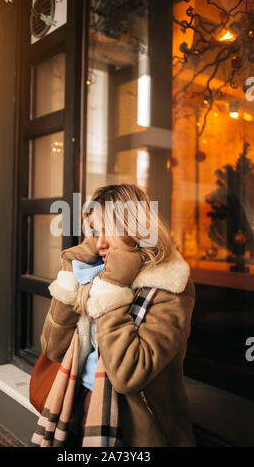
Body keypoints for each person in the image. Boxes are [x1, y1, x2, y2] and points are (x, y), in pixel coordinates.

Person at [38, 183, 196, 447]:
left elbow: (127, 375)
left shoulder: (171, 286)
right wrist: (69, 275)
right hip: (74, 406)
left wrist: (113, 288)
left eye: (109, 230)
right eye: (95, 231)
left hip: (132, 428)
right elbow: (53, 349)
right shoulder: (95, 272)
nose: (99, 242)